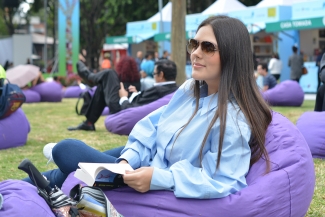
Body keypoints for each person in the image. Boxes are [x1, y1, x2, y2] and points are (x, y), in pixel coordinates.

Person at [24, 16, 272, 200]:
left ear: (231, 55)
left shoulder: (233, 121)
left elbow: (224, 181)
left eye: (207, 47)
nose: (195, 53)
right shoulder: (190, 89)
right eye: (193, 44)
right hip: (141, 159)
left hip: (149, 181)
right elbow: (152, 126)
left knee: (67, 151)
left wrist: (158, 178)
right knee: (71, 163)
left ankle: (29, 187)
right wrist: (126, 159)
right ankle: (21, 189)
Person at [67, 58, 178, 131]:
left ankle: (89, 77)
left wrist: (124, 96)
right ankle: (89, 122)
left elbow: (133, 111)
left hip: (122, 110)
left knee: (109, 74)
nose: (153, 76)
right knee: (103, 83)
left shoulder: (160, 90)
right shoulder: (170, 89)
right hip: (129, 106)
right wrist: (136, 94)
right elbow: (145, 105)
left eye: (154, 73)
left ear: (161, 74)